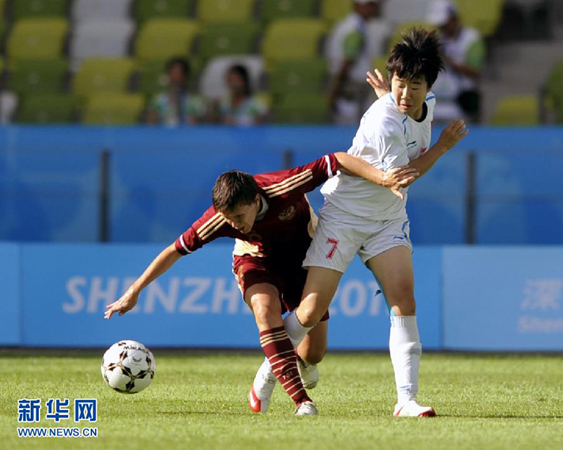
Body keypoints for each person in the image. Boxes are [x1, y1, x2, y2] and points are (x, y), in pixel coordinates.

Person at [104, 153, 418, 416]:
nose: (234, 224)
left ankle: (285, 362)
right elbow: (175, 250)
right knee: (265, 310)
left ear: (256, 199)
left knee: (315, 351)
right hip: (255, 260)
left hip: (302, 258)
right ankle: (301, 401)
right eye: (228, 219)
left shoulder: (284, 186)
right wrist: (135, 291)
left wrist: (381, 178)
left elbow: (335, 160)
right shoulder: (220, 218)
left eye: (239, 216)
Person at [278, 28, 468, 418]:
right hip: (345, 215)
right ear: (392, 77)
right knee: (311, 312)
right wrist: (443, 147)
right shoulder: (384, 120)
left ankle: (406, 400)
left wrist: (388, 96)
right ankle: (268, 372)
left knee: (404, 300)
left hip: (386, 219)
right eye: (400, 83)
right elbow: (405, 174)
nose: (406, 93)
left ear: (429, 86)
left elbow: (405, 119)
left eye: (415, 84)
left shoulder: (421, 105)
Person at [326, 0, 391, 124]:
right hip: (352, 83)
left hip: (351, 80)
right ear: (357, 6)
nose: (372, 9)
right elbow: (348, 60)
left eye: (373, 6)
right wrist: (335, 88)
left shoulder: (347, 25)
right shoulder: (355, 29)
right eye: (369, 6)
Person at [426, 0, 486, 123]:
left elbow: (475, 71)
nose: (441, 28)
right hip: (436, 103)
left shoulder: (472, 39)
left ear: (454, 18)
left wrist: (447, 59)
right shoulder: (439, 39)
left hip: (460, 104)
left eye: (444, 24)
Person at [146, 57, 206, 126]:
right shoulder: (158, 100)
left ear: (185, 77)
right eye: (172, 73)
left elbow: (194, 127)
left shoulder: (195, 102)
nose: (175, 78)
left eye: (179, 74)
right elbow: (151, 126)